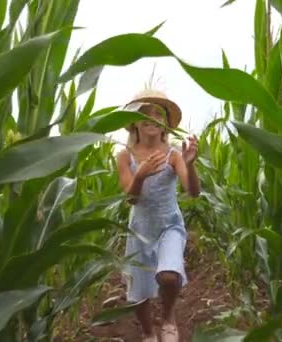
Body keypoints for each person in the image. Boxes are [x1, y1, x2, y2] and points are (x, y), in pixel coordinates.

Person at [116, 89, 200, 342]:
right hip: (139, 228)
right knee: (140, 290)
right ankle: (148, 331)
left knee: (168, 276)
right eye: (144, 112)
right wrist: (140, 175)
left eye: (157, 113)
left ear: (165, 124)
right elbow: (131, 198)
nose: (151, 117)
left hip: (169, 225)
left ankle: (168, 318)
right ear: (133, 123)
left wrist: (191, 164)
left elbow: (193, 192)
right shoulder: (124, 157)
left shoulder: (174, 155)